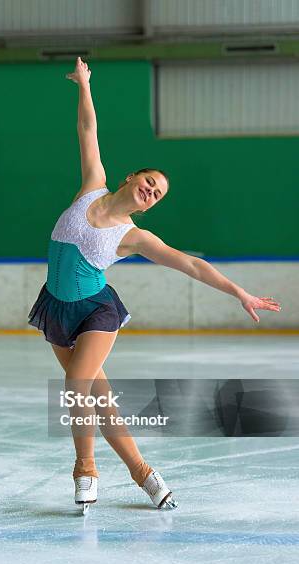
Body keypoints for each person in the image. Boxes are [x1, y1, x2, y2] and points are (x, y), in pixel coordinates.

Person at [28, 56, 281, 511]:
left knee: (77, 385)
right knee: (100, 400)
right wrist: (83, 84)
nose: (151, 191)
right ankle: (143, 473)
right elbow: (88, 131)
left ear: (148, 208)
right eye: (150, 181)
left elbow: (191, 264)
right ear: (131, 177)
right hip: (56, 308)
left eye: (157, 194)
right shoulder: (92, 185)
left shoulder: (134, 236)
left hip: (95, 311)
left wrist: (240, 293)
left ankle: (85, 470)